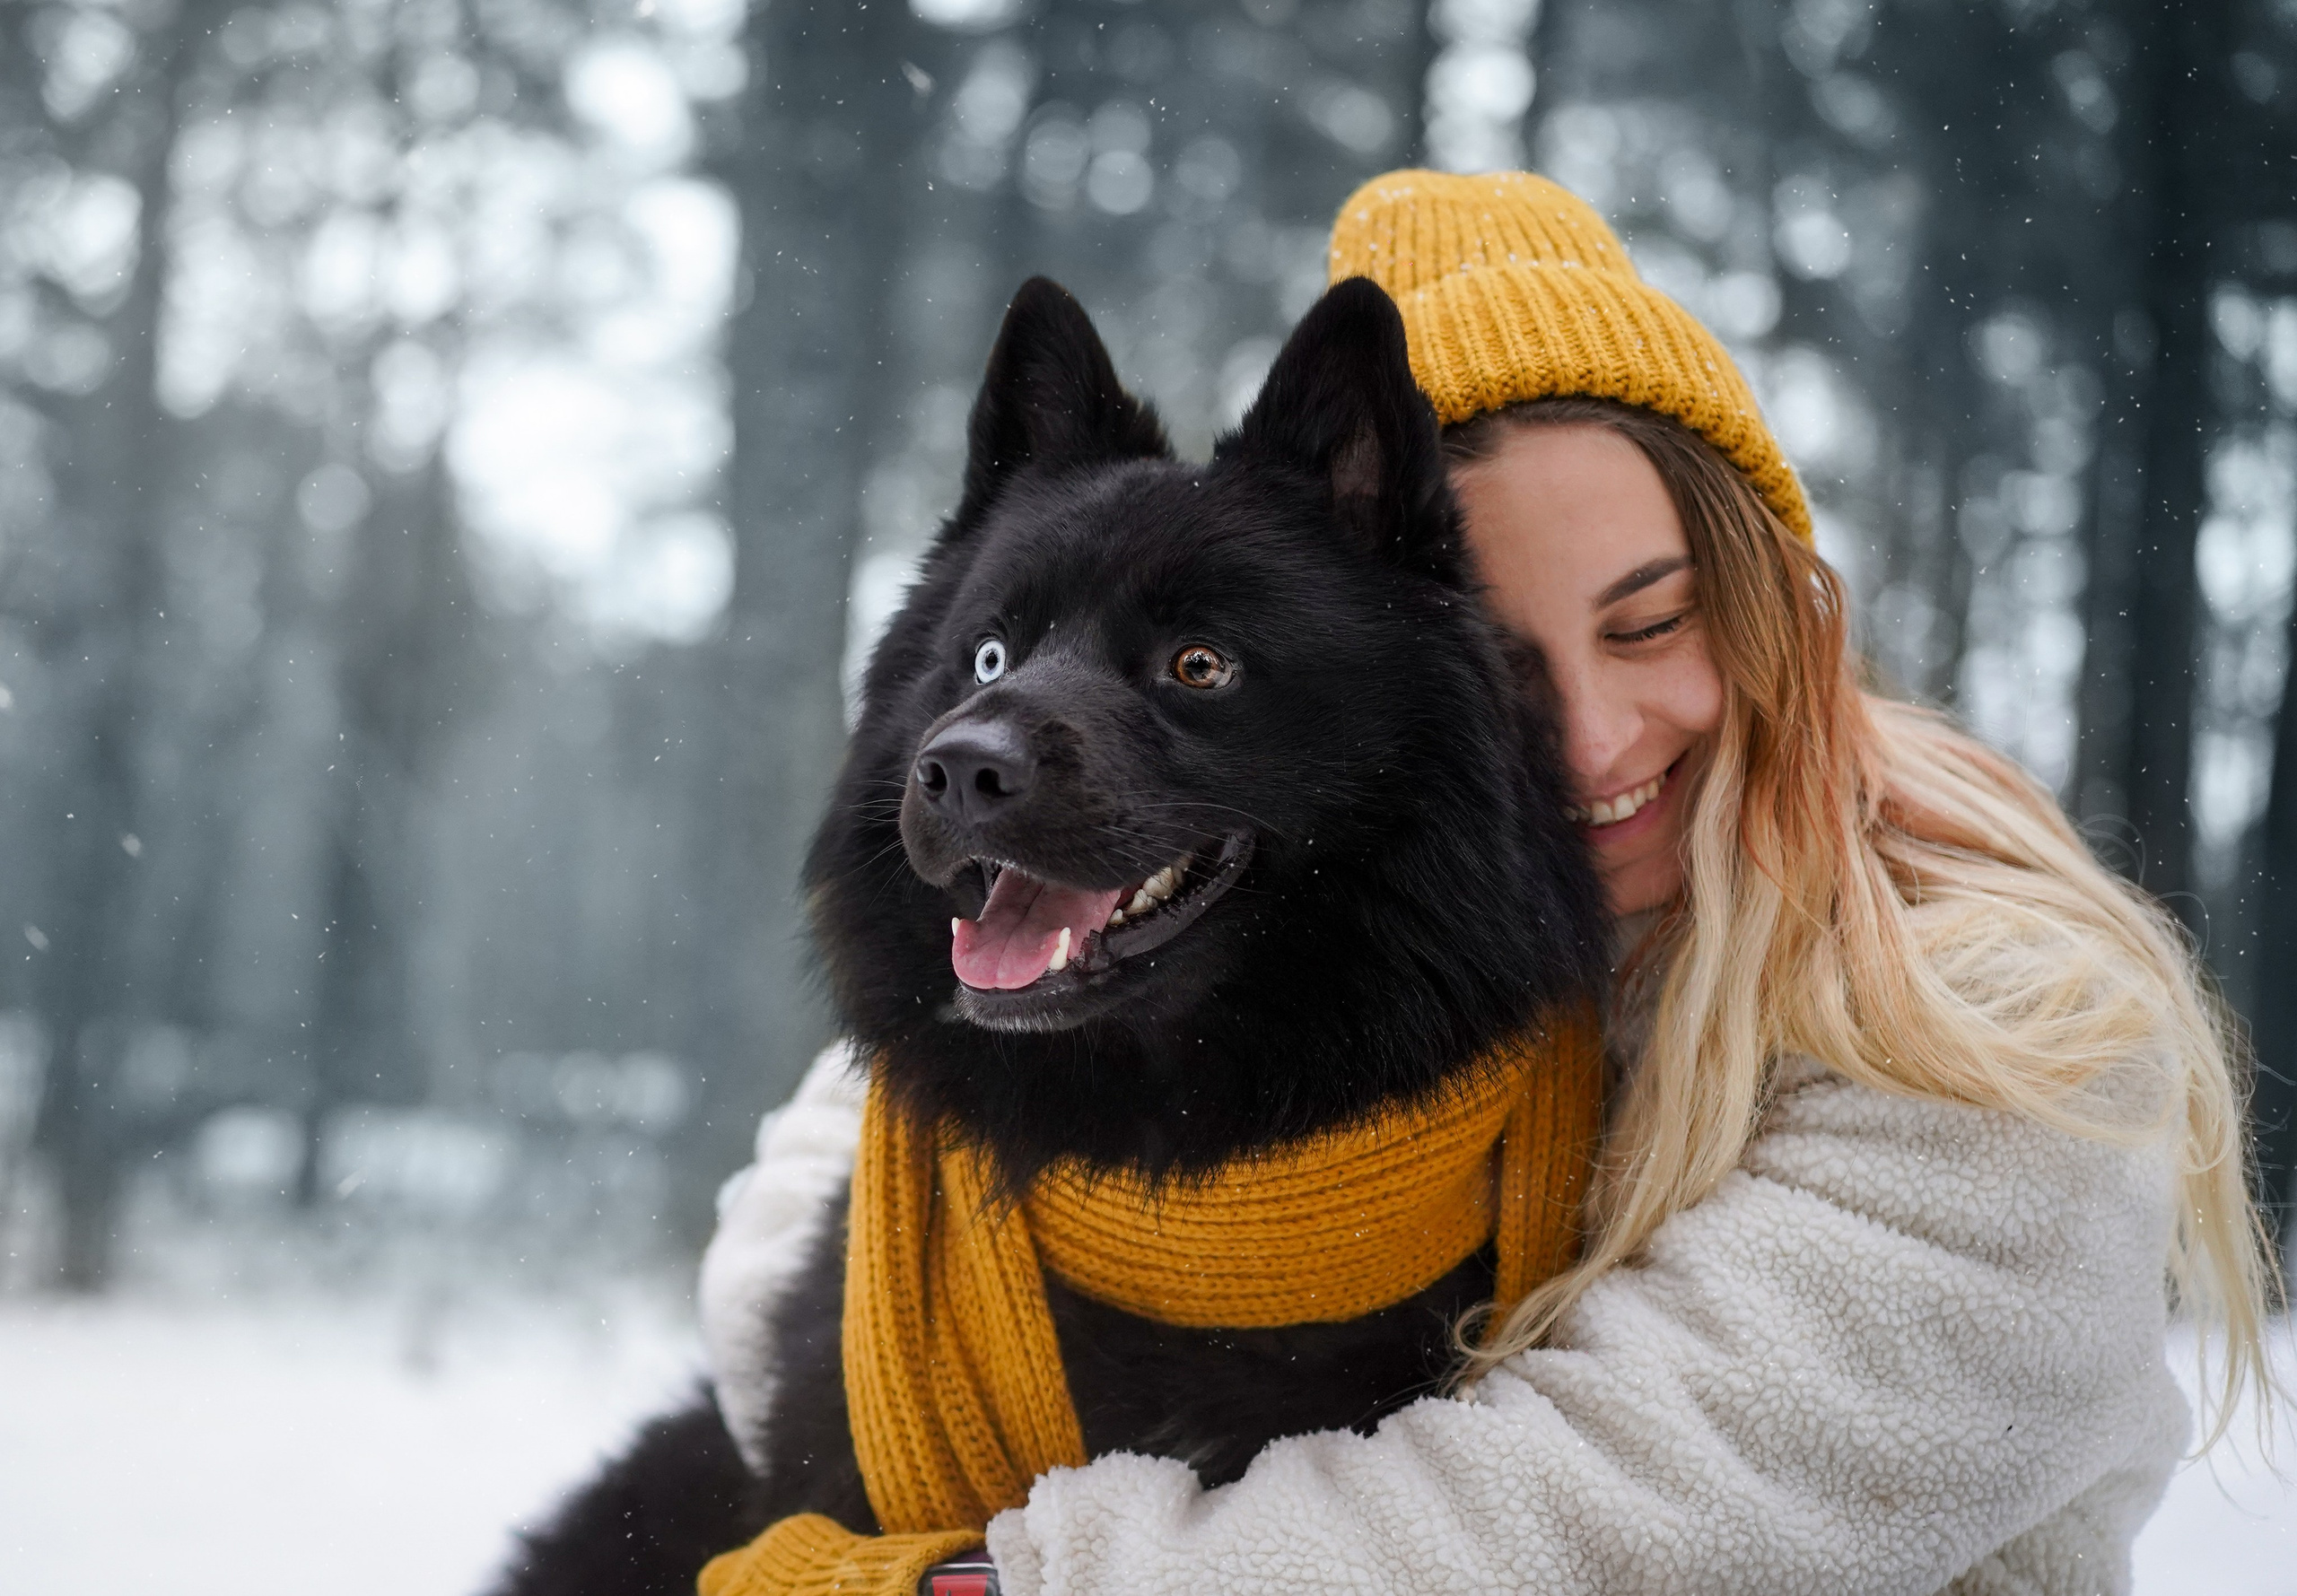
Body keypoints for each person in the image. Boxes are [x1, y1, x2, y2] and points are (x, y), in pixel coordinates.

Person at [702, 170, 2277, 1594]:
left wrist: (950, 1588)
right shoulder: (1391, 956)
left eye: (1652, 625)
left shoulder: (1998, 1028)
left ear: (1777, 612)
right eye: (1511, 672)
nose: (1591, 738)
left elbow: (1582, 1528)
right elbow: (790, 1242)